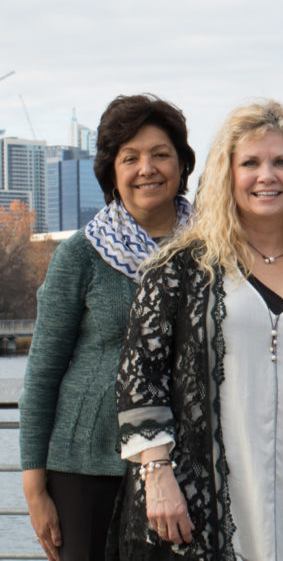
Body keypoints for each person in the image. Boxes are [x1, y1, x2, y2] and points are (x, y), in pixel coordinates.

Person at [114, 102, 283, 560]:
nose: (266, 175)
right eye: (250, 163)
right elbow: (139, 380)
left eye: (282, 162)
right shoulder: (179, 270)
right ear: (227, 174)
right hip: (202, 504)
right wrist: (158, 474)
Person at [19, 94, 195, 561]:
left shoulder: (211, 250)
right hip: (86, 466)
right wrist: (34, 483)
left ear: (182, 163)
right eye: (130, 157)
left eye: (160, 154)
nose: (147, 168)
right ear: (110, 171)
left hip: (186, 458)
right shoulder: (80, 254)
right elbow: (42, 372)